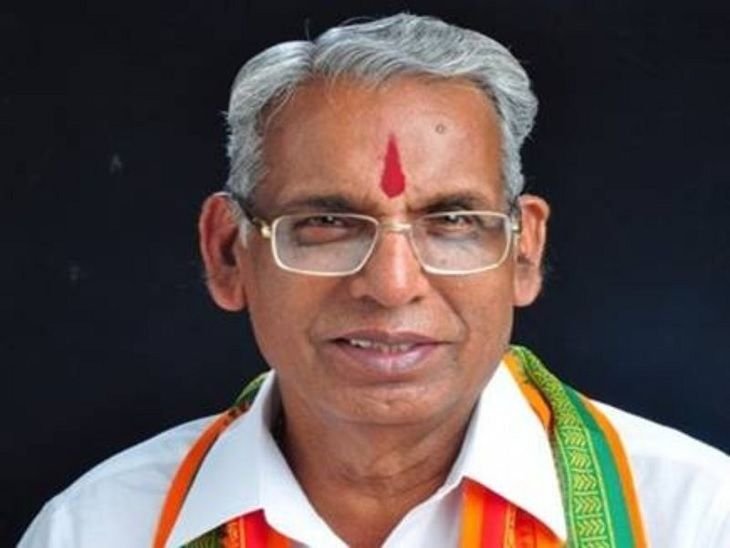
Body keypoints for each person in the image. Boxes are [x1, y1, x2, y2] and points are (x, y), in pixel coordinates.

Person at [20, 13, 730, 548]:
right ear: (229, 254)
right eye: (328, 223)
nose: (392, 285)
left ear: (524, 252)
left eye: (451, 221)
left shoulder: (695, 517)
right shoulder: (101, 527)